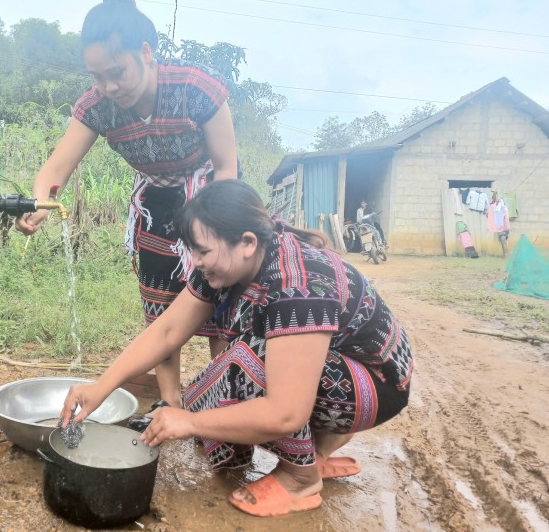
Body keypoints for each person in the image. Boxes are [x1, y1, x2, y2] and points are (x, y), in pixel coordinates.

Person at [61, 180, 413, 517]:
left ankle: (300, 480)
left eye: (202, 250)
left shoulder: (298, 283)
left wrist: (191, 422)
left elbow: (285, 413)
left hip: (375, 384)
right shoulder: (226, 264)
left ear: (245, 242)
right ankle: (317, 452)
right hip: (336, 368)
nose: (196, 261)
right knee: (207, 395)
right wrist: (100, 388)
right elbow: (167, 330)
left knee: (249, 363)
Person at [16, 0, 238, 408]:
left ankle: (224, 397)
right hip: (156, 201)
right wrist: (40, 201)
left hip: (212, 195)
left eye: (116, 73)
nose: (108, 87)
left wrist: (217, 227)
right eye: (97, 76)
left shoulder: (195, 88)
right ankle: (170, 402)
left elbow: (227, 166)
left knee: (220, 303)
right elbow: (57, 165)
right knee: (159, 306)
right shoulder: (97, 106)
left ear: (146, 53)